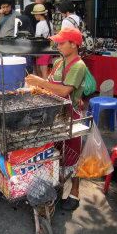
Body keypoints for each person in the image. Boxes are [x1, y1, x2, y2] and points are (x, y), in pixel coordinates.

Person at [25, 26, 87, 211]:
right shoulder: (59, 63)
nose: (57, 45)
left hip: (71, 117)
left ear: (74, 45)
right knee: (58, 153)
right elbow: (52, 86)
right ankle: (58, 186)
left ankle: (75, 193)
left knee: (73, 156)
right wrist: (36, 89)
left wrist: (39, 82)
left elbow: (64, 90)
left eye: (61, 43)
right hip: (55, 115)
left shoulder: (78, 65)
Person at [31, 4, 54, 80]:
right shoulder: (49, 23)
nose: (34, 16)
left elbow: (37, 38)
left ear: (37, 15)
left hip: (42, 50)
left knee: (43, 72)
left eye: (35, 15)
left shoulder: (40, 24)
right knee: (46, 71)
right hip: (49, 48)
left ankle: (45, 89)